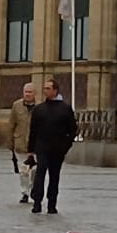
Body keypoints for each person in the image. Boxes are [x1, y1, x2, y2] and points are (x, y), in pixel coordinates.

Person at [27, 76, 77, 216]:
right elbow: (33, 130)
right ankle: (37, 202)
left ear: (55, 90)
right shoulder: (39, 109)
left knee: (54, 176)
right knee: (40, 174)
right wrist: (30, 150)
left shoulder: (65, 109)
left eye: (48, 88)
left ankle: (52, 204)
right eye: (44, 88)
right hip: (42, 148)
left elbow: (72, 129)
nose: (45, 91)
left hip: (57, 149)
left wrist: (66, 146)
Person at [7, 82, 37, 204]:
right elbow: (11, 124)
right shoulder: (16, 106)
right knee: (23, 170)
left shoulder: (40, 107)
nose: (27, 94)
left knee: (34, 170)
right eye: (26, 92)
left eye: (30, 92)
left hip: (35, 145)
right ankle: (25, 193)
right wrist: (10, 142)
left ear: (34, 93)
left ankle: (34, 190)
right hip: (20, 143)